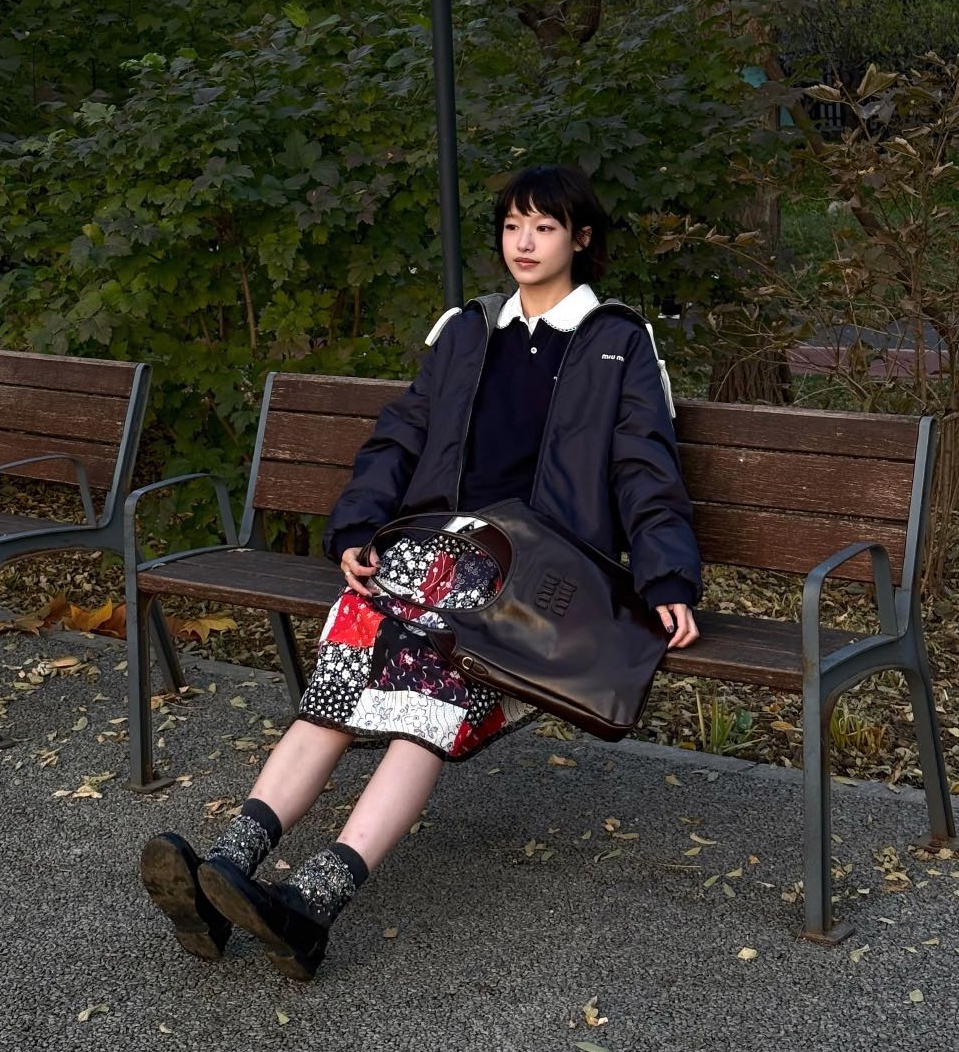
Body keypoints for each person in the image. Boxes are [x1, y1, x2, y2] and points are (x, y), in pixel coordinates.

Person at [139, 164, 702, 981]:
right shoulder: (468, 330)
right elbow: (400, 436)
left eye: (544, 227)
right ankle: (225, 867)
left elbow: (645, 466)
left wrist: (666, 577)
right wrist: (357, 527)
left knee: (421, 708)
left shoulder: (618, 340)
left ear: (581, 238)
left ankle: (313, 902)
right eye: (512, 225)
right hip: (430, 548)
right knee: (336, 684)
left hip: (530, 580)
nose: (524, 242)